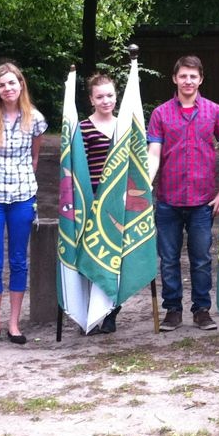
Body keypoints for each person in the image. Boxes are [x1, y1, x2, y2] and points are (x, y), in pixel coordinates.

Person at [147, 55, 219, 332]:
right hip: (168, 200)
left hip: (203, 201)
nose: (188, 81)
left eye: (193, 76)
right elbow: (153, 153)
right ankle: (173, 310)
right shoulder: (160, 114)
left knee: (202, 258)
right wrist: (145, 184)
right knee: (168, 259)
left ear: (201, 79)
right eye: (183, 76)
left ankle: (202, 309)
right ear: (174, 78)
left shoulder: (215, 112)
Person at [0, 61, 48, 345]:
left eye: (11, 83)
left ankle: (14, 324)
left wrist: (26, 185)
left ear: (21, 84)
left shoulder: (36, 119)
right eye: (1, 84)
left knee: (18, 260)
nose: (7, 89)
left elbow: (35, 158)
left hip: (22, 197)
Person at [80, 73, 121, 334]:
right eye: (100, 96)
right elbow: (79, 170)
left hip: (118, 205)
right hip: (92, 202)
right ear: (91, 99)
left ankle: (111, 311)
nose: (105, 100)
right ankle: (90, 311)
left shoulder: (125, 125)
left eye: (110, 95)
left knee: (117, 260)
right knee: (94, 256)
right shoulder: (83, 128)